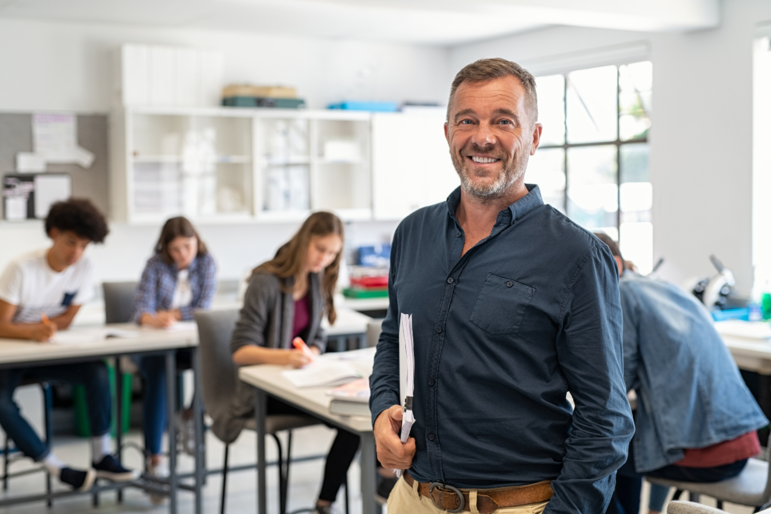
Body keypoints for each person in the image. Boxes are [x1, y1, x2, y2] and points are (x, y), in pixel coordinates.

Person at [369, 58, 635, 514]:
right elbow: (395, 339)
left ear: (533, 136)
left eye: (503, 121)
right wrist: (381, 412)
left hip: (519, 505)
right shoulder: (412, 233)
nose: (482, 137)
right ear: (448, 132)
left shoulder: (576, 254)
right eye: (467, 120)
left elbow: (605, 417)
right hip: (414, 498)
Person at [593, 233, 768, 514]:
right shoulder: (662, 288)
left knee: (599, 454)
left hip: (711, 453)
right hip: (743, 442)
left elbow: (616, 383)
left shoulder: (621, 293)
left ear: (613, 264)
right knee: (630, 434)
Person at [0, 198, 137, 491]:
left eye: (84, 245)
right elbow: (2, 325)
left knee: (97, 372)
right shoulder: (21, 268)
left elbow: (66, 319)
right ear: (53, 233)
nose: (76, 252)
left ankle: (102, 456)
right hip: (11, 356)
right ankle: (56, 467)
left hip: (46, 353)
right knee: (0, 402)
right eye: (70, 242)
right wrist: (32, 332)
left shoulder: (84, 268)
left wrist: (43, 331)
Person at [228, 211, 359, 514]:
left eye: (332, 253)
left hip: (302, 381)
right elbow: (240, 351)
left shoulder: (315, 280)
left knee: (357, 416)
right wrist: (287, 356)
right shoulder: (266, 281)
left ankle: (329, 500)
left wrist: (311, 349)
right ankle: (331, 503)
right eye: (320, 249)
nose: (324, 259)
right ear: (304, 241)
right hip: (266, 392)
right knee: (351, 421)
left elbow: (317, 336)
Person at [131, 216, 216, 499]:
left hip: (189, 343)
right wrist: (150, 319)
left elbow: (203, 307)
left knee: (214, 360)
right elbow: (142, 308)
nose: (183, 255)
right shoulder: (154, 265)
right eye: (176, 249)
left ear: (196, 242)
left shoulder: (206, 263)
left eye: (188, 247)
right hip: (155, 344)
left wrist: (173, 314)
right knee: (157, 374)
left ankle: (190, 416)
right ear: (165, 248)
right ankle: (155, 459)